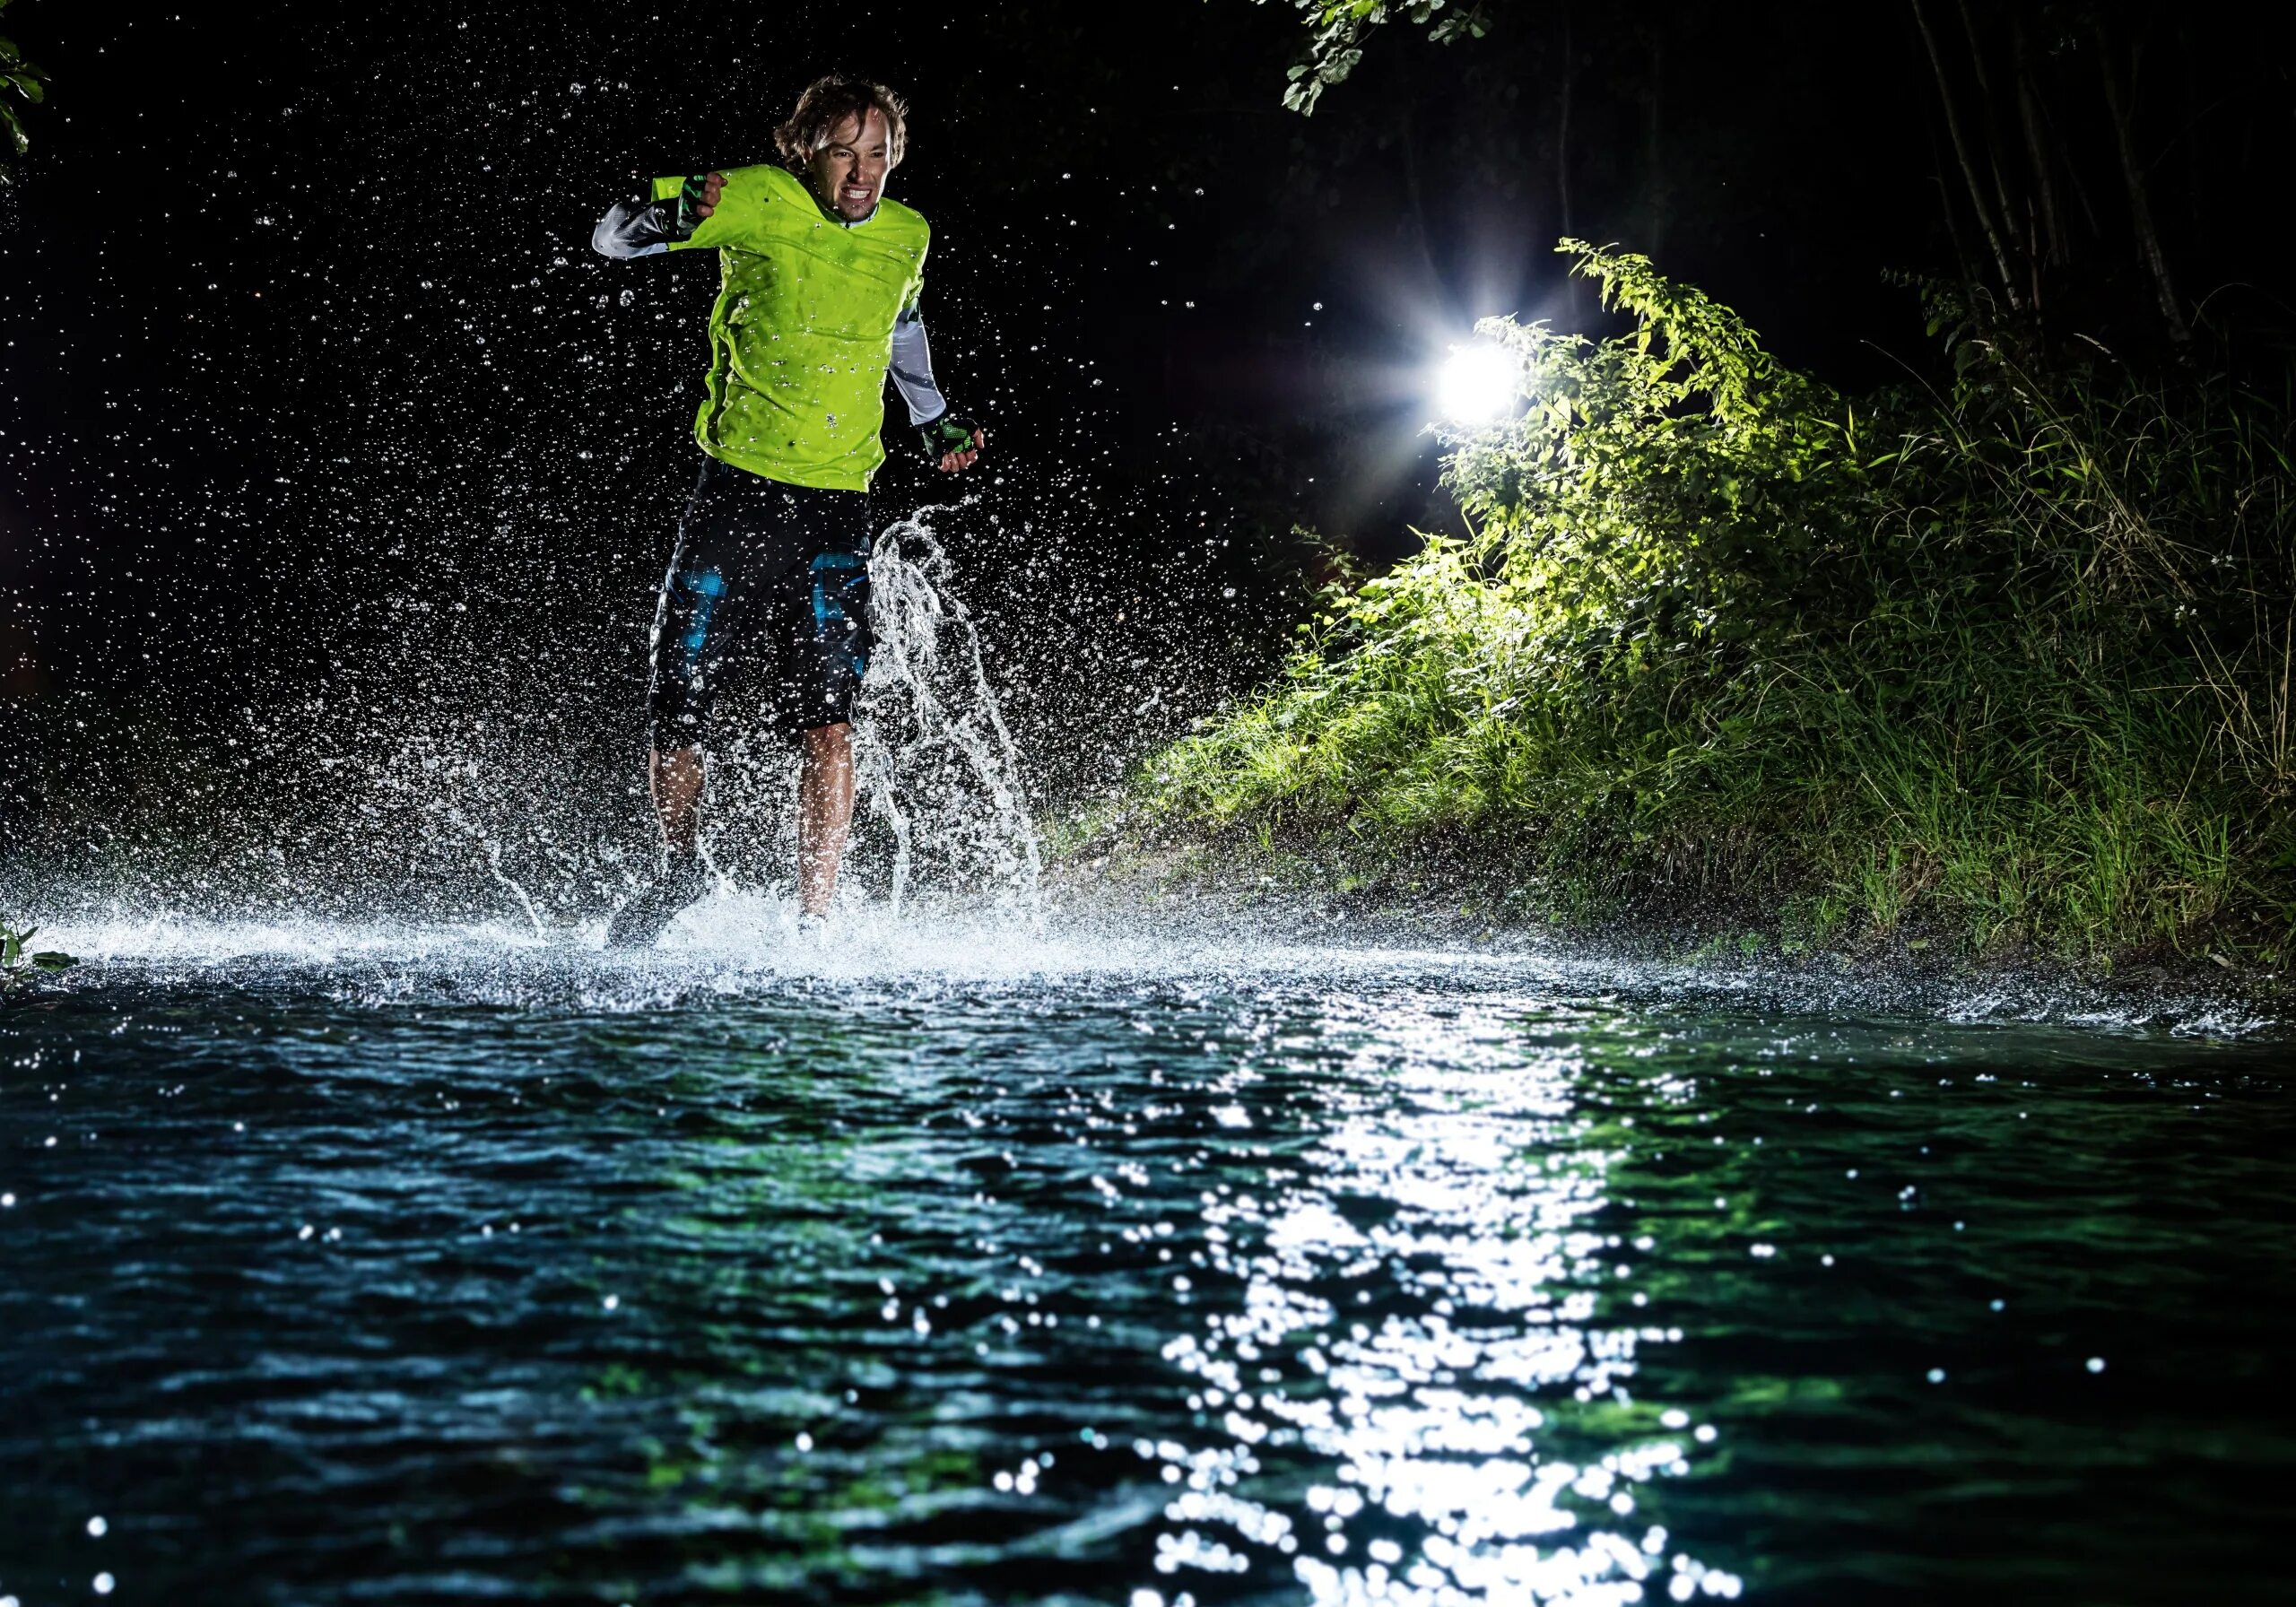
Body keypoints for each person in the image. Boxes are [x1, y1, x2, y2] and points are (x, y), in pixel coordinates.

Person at [589, 74, 987, 948]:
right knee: (676, 698)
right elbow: (614, 234)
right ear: (803, 151)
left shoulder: (907, 236)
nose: (862, 172)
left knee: (831, 720)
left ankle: (815, 917)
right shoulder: (760, 199)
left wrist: (932, 417)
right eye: (843, 151)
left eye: (877, 153)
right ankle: (681, 866)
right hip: (733, 495)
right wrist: (651, 213)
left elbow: (904, 324)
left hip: (834, 512)